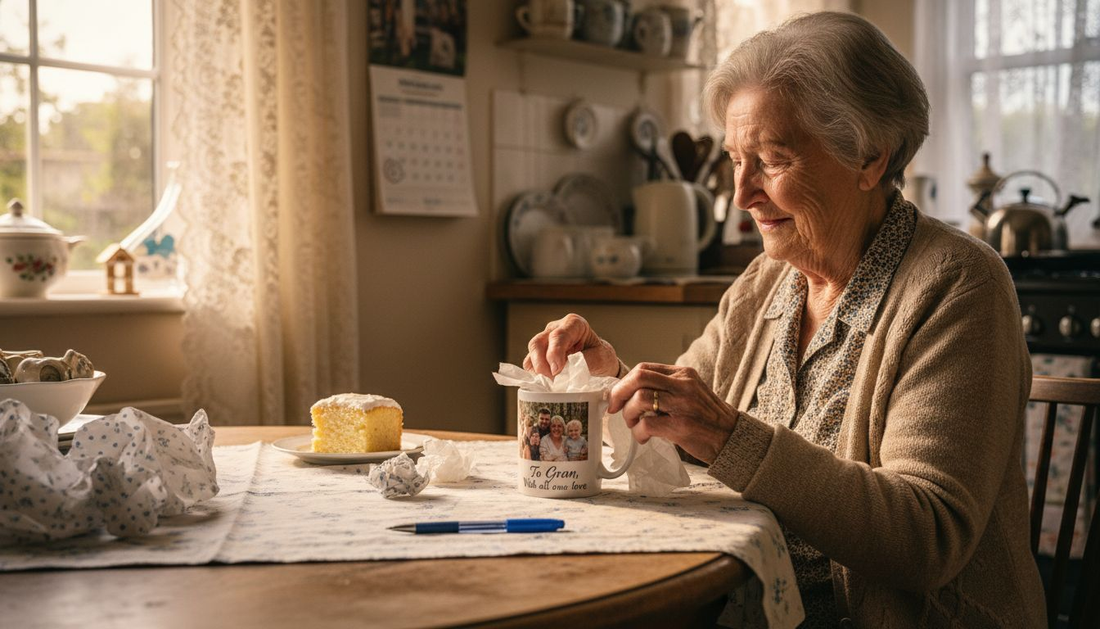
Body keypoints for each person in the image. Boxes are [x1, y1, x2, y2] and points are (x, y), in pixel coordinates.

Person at [522, 12, 1045, 628]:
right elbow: (679, 429)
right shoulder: (767, 281)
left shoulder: (957, 284)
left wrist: (726, 437)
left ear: (870, 157)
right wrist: (611, 380)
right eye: (735, 161)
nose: (743, 194)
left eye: (771, 160)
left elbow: (927, 536)